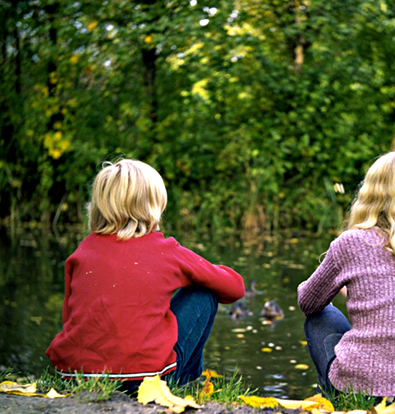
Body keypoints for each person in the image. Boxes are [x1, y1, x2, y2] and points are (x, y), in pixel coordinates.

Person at [46, 158, 245, 393]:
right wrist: (203, 271)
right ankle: (182, 382)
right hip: (144, 382)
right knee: (204, 293)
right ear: (152, 207)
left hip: (76, 375)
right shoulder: (164, 250)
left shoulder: (83, 251)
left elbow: (70, 319)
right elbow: (235, 288)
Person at [297, 150, 395, 399]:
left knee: (319, 317)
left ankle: (331, 399)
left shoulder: (351, 243)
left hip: (364, 388)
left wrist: (333, 285)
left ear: (370, 192)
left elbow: (308, 301)